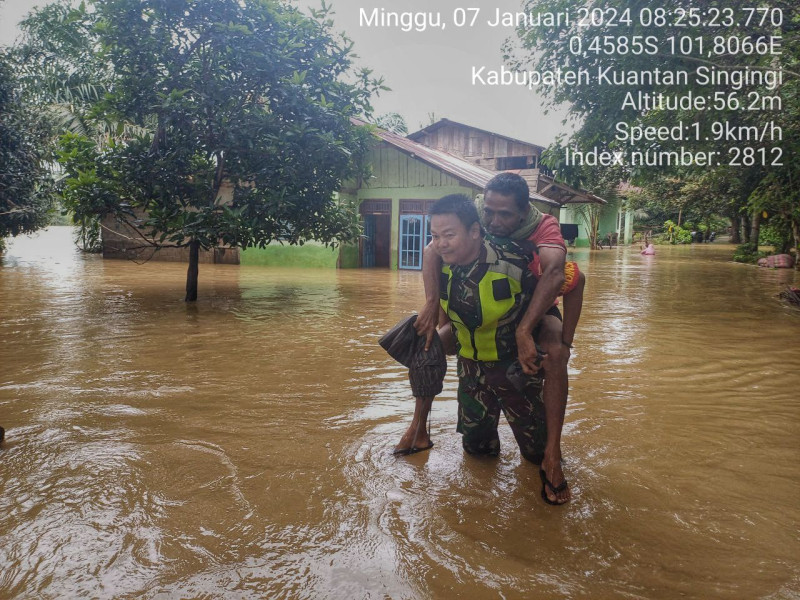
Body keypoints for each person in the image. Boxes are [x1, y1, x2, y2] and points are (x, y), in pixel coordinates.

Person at [413, 173, 580, 504]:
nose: (494, 220)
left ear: (523, 213)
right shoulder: (471, 219)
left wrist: (530, 331)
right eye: (489, 212)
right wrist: (431, 303)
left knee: (558, 352)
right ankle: (419, 428)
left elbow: (565, 277)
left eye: (504, 214)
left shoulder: (541, 229)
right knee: (424, 343)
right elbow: (433, 248)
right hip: (474, 333)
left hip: (536, 307)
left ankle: (552, 454)